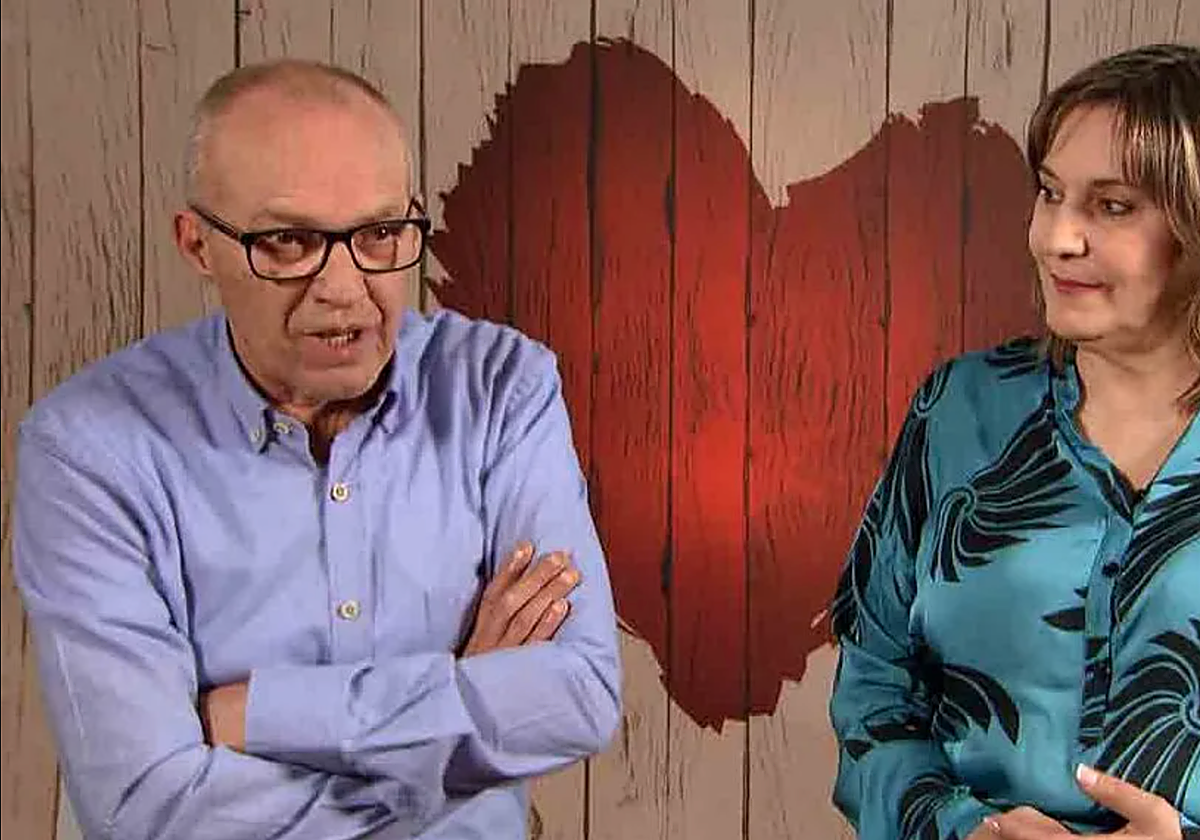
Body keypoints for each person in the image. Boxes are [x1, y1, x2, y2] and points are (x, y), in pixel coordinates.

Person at [13, 59, 620, 839]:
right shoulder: (88, 449)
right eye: (289, 241)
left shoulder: (502, 389)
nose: (344, 288)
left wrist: (258, 712)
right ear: (198, 245)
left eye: (380, 234)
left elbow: (577, 694)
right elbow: (145, 805)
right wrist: (455, 708)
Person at [829, 42, 1198, 840]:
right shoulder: (959, 409)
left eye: (1112, 206)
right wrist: (962, 828)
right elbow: (873, 684)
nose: (1057, 238)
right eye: (1051, 193)